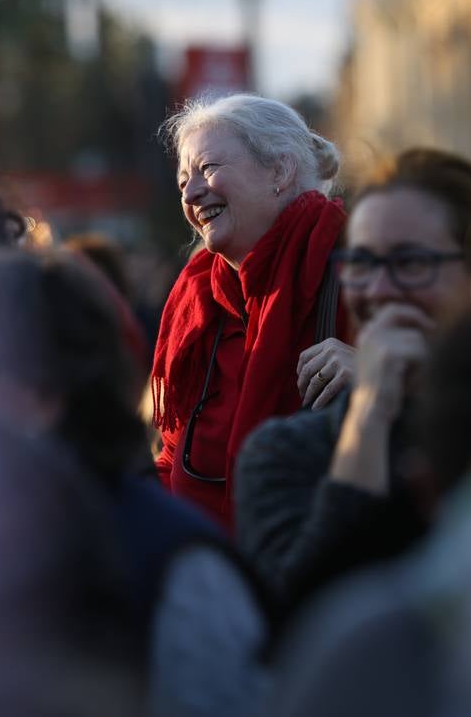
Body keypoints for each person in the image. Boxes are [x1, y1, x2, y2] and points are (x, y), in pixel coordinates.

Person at [235, 147, 471, 607]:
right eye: (362, 264)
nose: (378, 291)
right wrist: (371, 414)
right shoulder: (284, 453)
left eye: (411, 263)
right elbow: (302, 621)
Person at [151, 94, 353, 531]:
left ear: (279, 171)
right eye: (183, 180)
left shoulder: (358, 269)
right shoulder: (196, 302)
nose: (190, 191)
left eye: (207, 169)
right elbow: (171, 455)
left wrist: (374, 372)